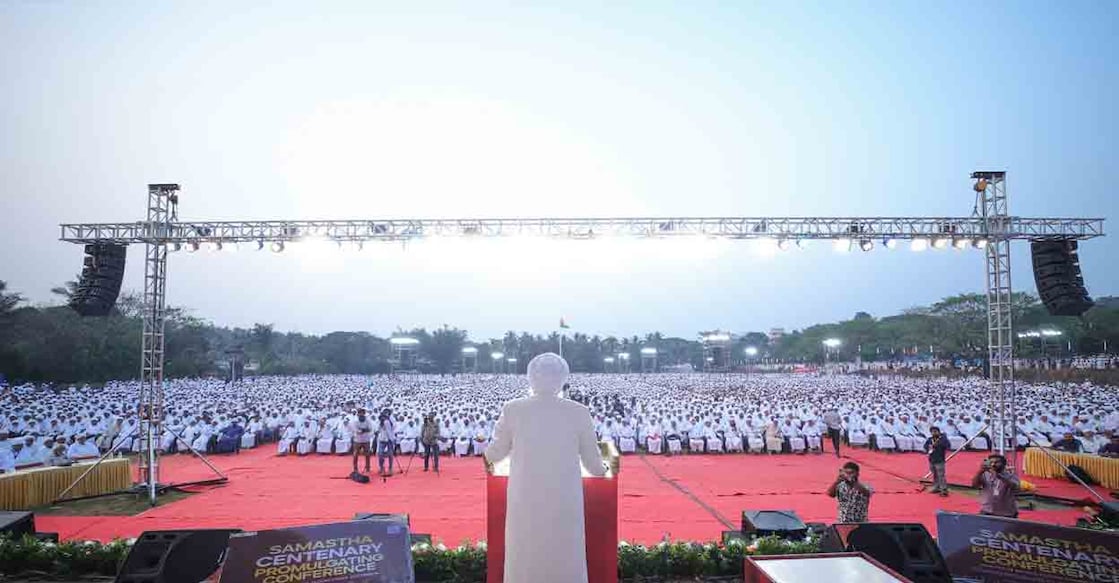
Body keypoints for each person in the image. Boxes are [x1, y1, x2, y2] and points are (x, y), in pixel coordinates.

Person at [484, 353, 606, 583]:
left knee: (525, 554)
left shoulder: (513, 409)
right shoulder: (578, 411)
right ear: (563, 379)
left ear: (530, 377)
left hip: (525, 498)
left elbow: (494, 454)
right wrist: (603, 468)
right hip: (564, 498)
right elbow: (595, 466)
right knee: (565, 554)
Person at [971, 454, 1020, 518]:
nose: (993, 464)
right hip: (987, 511)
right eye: (991, 462)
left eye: (997, 462)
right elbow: (974, 485)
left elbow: (1015, 486)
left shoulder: (1011, 476)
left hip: (1007, 514)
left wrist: (999, 476)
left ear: (1004, 464)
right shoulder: (985, 475)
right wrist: (980, 471)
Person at [924, 426, 950, 496]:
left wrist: (937, 445)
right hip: (932, 459)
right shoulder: (930, 439)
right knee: (935, 474)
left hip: (939, 460)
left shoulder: (943, 439)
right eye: (932, 431)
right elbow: (925, 446)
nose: (934, 433)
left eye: (935, 431)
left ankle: (944, 490)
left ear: (938, 432)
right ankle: (936, 487)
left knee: (941, 475)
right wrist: (928, 447)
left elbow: (948, 446)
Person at [351, 408, 373, 475]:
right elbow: (357, 431)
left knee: (367, 454)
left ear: (364, 414)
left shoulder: (368, 420)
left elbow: (370, 429)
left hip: (366, 439)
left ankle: (368, 468)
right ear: (358, 414)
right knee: (355, 454)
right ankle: (355, 468)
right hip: (357, 440)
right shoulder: (355, 421)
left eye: (362, 414)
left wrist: (362, 430)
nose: (361, 415)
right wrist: (364, 430)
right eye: (360, 414)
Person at [375, 409, 396, 477]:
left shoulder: (389, 421)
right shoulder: (380, 422)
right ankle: (381, 467)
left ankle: (390, 468)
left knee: (390, 454)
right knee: (380, 454)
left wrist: (391, 439)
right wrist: (376, 431)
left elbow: (390, 430)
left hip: (389, 439)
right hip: (382, 439)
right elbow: (378, 429)